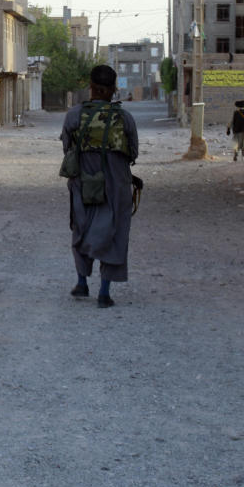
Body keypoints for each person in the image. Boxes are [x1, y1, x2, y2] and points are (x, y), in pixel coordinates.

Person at [60, 65, 139, 308]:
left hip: (83, 182)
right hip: (116, 185)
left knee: (81, 228)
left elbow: (67, 148)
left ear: (91, 88)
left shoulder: (74, 115)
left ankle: (82, 283)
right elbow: (133, 153)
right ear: (114, 89)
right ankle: (104, 292)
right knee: (115, 232)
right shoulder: (124, 117)